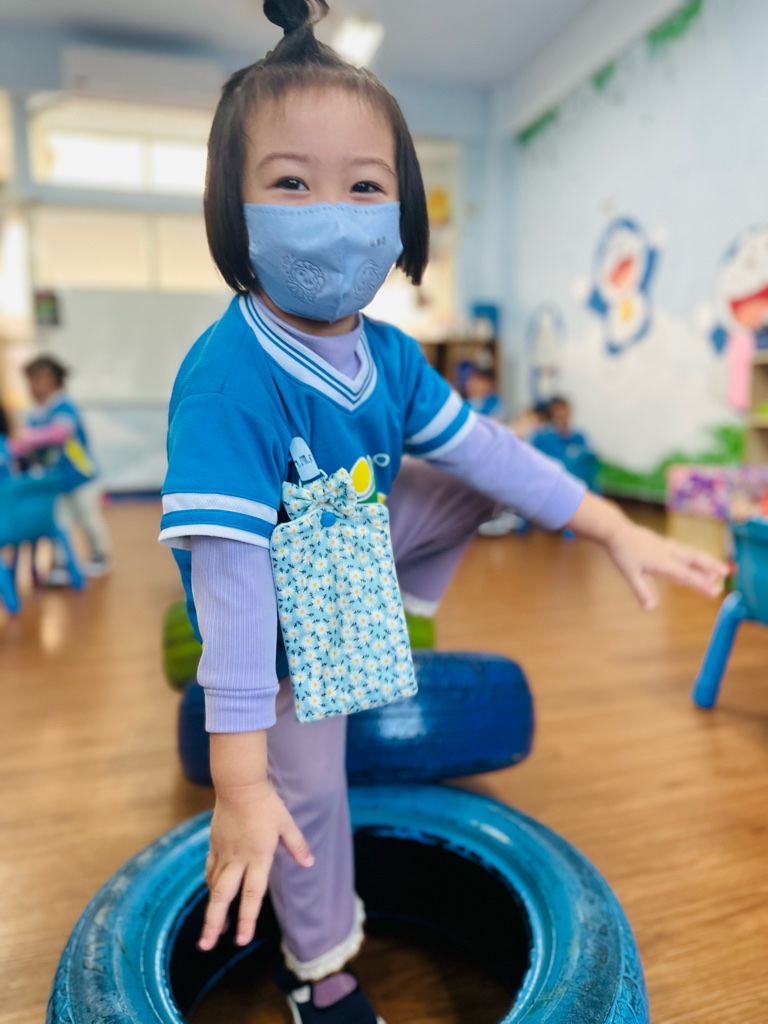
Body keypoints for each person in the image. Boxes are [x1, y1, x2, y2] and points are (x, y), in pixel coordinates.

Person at [158, 4, 728, 1021]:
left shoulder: (390, 355)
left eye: (363, 186)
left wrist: (611, 524)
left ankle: (394, 618)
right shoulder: (229, 379)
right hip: (275, 623)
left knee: (475, 473)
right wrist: (239, 784)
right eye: (290, 183)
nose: (332, 213)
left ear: (404, 208)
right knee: (311, 794)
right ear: (232, 206)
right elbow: (233, 587)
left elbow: (490, 455)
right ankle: (318, 973)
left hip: (344, 559)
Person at [20, 355, 111, 581]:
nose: (33, 386)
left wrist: (24, 440)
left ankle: (100, 555)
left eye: (37, 380)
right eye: (30, 381)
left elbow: (59, 433)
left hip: (81, 476)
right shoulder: (35, 414)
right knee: (60, 524)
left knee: (89, 518)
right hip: (56, 480)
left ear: (53, 380)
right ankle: (62, 563)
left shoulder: (64, 405)